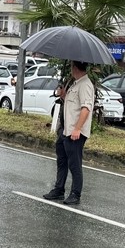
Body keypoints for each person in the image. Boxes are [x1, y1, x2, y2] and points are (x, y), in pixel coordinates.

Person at [44, 61, 95, 205]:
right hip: (66, 130)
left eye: (72, 66)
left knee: (74, 164)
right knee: (62, 160)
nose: (71, 69)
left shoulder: (85, 85)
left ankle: (75, 194)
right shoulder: (76, 83)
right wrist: (64, 96)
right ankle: (59, 189)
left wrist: (77, 129)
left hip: (75, 132)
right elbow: (73, 105)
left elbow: (85, 109)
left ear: (75, 68)